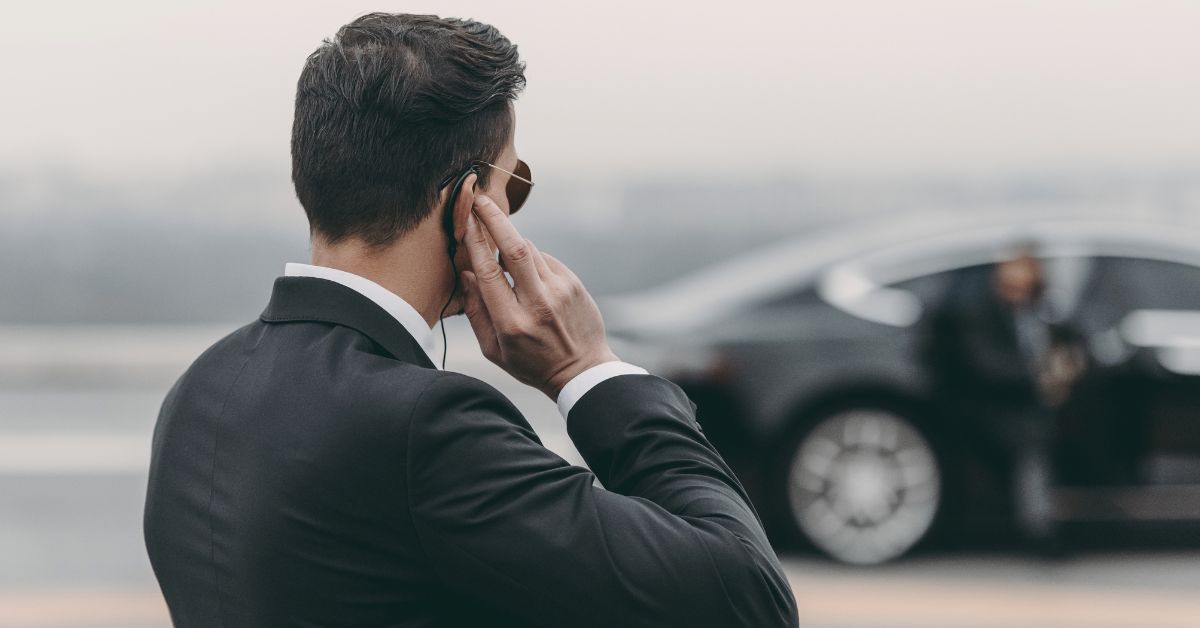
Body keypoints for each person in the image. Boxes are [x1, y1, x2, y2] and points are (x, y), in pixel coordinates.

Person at [142, 13, 797, 628]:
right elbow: (746, 596)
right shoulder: (424, 429)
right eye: (514, 186)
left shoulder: (201, 390)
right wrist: (588, 370)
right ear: (468, 203)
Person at [921, 245, 1084, 550]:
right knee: (1031, 440)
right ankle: (1039, 527)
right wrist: (1040, 379)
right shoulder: (978, 309)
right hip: (990, 406)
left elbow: (1069, 344)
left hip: (1032, 403)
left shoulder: (1040, 310)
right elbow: (988, 365)